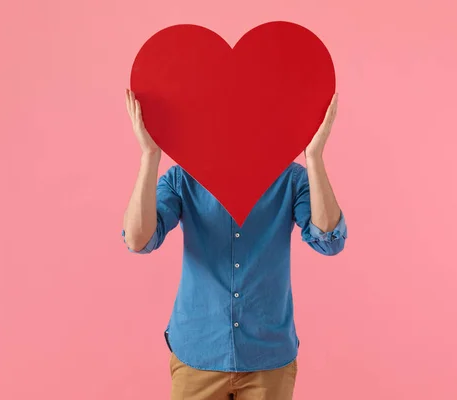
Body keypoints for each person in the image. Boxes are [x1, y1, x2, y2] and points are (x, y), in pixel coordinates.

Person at [122, 89, 347, 400]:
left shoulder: (292, 180)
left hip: (269, 359)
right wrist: (149, 157)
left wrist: (314, 157)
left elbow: (328, 241)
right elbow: (138, 239)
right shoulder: (182, 180)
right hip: (197, 354)